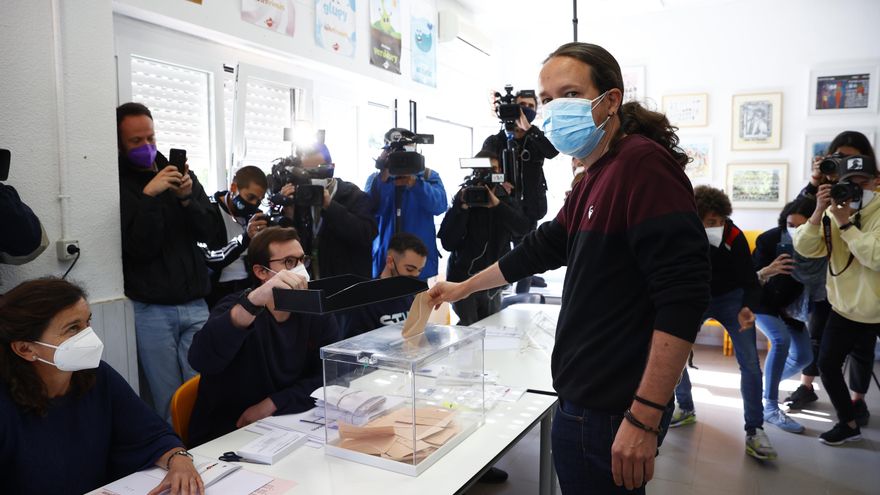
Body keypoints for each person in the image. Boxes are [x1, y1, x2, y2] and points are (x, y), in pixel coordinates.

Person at [427, 42, 710, 493]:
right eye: (546, 99)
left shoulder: (642, 166)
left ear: (610, 101)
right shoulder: (596, 175)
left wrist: (644, 414)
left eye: (571, 94)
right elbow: (540, 248)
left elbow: (685, 295)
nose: (555, 109)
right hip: (584, 400)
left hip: (613, 409)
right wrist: (463, 287)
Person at [0, 278, 203, 495]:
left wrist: (179, 460)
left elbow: (151, 434)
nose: (89, 335)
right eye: (73, 328)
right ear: (25, 349)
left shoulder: (96, 375)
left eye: (87, 322)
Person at [187, 226, 340, 446]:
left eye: (301, 260)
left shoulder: (313, 310)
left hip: (287, 425)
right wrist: (252, 303)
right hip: (229, 434)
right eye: (289, 262)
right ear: (261, 272)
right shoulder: (233, 308)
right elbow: (200, 359)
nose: (300, 270)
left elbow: (330, 375)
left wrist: (274, 403)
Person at [117, 102, 222, 421]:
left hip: (194, 303)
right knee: (166, 400)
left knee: (205, 389)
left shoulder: (179, 174)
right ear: (120, 144)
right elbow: (139, 249)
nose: (146, 146)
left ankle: (207, 455)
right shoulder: (117, 184)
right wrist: (150, 198)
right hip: (151, 309)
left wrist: (187, 198)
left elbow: (213, 233)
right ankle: (176, 460)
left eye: (150, 138)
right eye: (136, 141)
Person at [669, 186, 775, 460]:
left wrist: (747, 308)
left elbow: (750, 280)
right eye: (705, 221)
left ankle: (755, 430)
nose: (712, 227)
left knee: (750, 364)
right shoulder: (683, 234)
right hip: (695, 297)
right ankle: (686, 407)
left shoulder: (734, 236)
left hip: (732, 301)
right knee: (673, 354)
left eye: (716, 222)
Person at [786, 131, 876, 428]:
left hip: (873, 302)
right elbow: (799, 237)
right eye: (839, 160)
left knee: (862, 353)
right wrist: (818, 200)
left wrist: (845, 222)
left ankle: (857, 401)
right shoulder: (829, 195)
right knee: (824, 354)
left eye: (854, 161)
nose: (847, 171)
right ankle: (840, 416)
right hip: (836, 296)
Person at [438, 150, 530, 325]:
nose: (487, 174)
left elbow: (522, 229)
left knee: (491, 327)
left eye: (492, 170)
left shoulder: (506, 198)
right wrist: (461, 207)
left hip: (493, 279)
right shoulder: (464, 196)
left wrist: (497, 204)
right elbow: (448, 242)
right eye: (482, 170)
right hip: (462, 278)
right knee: (467, 328)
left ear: (499, 172)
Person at [481, 90, 559, 293]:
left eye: (530, 106)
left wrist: (529, 128)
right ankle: (501, 290)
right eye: (521, 105)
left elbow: (552, 151)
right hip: (503, 207)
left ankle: (525, 285)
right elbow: (483, 167)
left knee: (527, 253)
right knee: (503, 254)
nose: (526, 109)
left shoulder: (536, 137)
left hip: (531, 205)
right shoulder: (496, 140)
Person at [752, 198, 816, 434]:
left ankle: (759, 387)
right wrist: (768, 271)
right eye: (790, 224)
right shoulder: (769, 239)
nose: (794, 231)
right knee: (780, 340)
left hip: (792, 307)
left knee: (804, 357)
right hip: (762, 302)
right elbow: (749, 278)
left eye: (802, 227)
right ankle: (769, 406)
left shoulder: (818, 243)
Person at [273, 144, 377, 280]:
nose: (312, 177)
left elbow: (367, 234)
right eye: (306, 172)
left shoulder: (353, 195)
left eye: (318, 171)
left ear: (331, 168)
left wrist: (330, 206)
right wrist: (288, 214)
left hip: (345, 285)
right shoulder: (298, 199)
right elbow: (286, 248)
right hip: (307, 282)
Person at [365, 128, 447, 281]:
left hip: (418, 263)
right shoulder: (377, 179)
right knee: (382, 303)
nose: (401, 157)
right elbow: (372, 209)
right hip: (386, 261)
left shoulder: (429, 176)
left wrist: (416, 184)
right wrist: (384, 175)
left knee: (416, 304)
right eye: (394, 152)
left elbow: (440, 206)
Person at [336, 232, 428, 339]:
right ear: (390, 262)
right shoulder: (364, 299)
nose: (415, 275)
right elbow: (354, 345)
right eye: (409, 269)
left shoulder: (410, 296)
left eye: (420, 270)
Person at [200, 165, 268, 309]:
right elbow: (211, 258)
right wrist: (246, 238)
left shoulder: (255, 215)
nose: (254, 204)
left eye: (258, 200)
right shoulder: (208, 210)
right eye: (250, 197)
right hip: (217, 291)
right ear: (233, 188)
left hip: (248, 288)